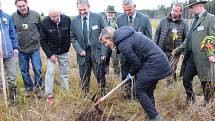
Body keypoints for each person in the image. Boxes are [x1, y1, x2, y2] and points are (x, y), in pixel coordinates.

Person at [100, 26, 171, 121]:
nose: (106, 45)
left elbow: (136, 63)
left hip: (154, 63)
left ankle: (156, 119)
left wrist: (130, 73)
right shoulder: (124, 37)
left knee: (137, 90)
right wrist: (132, 73)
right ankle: (150, 115)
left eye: (105, 42)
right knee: (147, 91)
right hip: (159, 62)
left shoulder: (123, 44)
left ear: (110, 37)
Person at [172, 0, 215, 104]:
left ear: (200, 5)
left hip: (204, 58)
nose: (190, 9)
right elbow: (188, 39)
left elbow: (213, 37)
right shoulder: (194, 20)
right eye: (189, 7)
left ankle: (208, 103)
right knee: (186, 79)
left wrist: (212, 54)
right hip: (191, 57)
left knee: (206, 82)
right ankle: (191, 99)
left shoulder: (211, 18)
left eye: (192, 7)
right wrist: (178, 50)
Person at [117, 0, 152, 99]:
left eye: (129, 10)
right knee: (125, 78)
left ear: (134, 6)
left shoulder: (144, 19)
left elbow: (149, 39)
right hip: (125, 56)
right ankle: (127, 97)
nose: (127, 12)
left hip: (139, 57)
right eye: (125, 10)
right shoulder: (119, 19)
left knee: (138, 79)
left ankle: (137, 98)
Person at [70, 0, 107, 95]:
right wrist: (79, 50)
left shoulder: (98, 17)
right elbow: (73, 38)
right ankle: (85, 95)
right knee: (84, 76)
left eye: (84, 9)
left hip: (97, 51)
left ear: (89, 7)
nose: (82, 12)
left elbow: (106, 34)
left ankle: (102, 93)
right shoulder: (74, 21)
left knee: (100, 75)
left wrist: (104, 52)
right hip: (83, 52)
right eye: (80, 10)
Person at [12, 0, 42, 97]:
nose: (22, 8)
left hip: (34, 48)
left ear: (27, 4)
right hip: (21, 49)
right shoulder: (13, 17)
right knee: (24, 70)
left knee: (37, 69)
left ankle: (38, 88)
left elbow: (41, 30)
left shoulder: (36, 15)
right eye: (19, 6)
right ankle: (29, 88)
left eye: (23, 5)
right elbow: (12, 32)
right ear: (16, 6)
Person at [40, 8, 71, 103]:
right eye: (52, 17)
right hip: (51, 51)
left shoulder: (67, 19)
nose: (55, 18)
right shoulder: (45, 22)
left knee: (64, 73)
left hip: (64, 51)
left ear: (60, 14)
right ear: (49, 16)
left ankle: (65, 92)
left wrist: (66, 47)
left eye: (57, 16)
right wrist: (50, 54)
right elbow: (42, 41)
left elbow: (70, 35)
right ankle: (49, 95)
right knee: (50, 72)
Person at [154, 3, 189, 83]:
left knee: (172, 69)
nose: (173, 12)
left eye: (176, 11)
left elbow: (187, 38)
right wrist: (155, 46)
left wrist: (180, 50)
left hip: (175, 52)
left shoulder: (184, 23)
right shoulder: (163, 20)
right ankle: (157, 84)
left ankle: (171, 86)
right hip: (162, 50)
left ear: (181, 12)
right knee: (160, 68)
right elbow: (157, 33)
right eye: (173, 10)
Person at [0, 3, 19, 104]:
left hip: (9, 53)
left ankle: (13, 98)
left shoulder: (7, 17)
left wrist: (15, 47)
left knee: (12, 75)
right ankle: (3, 98)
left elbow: (12, 33)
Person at [103, 5, 120, 76]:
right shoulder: (102, 20)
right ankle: (106, 78)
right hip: (105, 46)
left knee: (115, 63)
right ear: (106, 12)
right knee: (105, 63)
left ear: (114, 13)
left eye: (112, 13)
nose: (110, 14)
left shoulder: (117, 21)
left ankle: (117, 77)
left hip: (114, 46)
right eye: (109, 12)